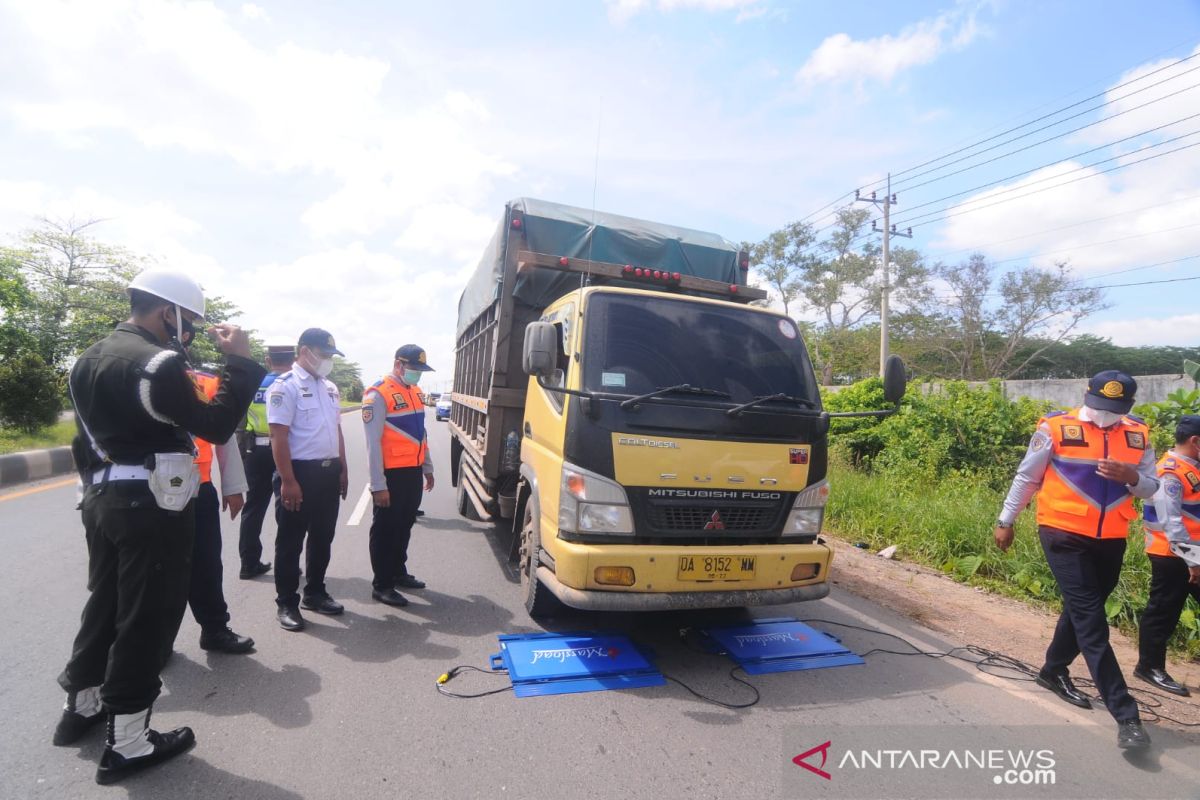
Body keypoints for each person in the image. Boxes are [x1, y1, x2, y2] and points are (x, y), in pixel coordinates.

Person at [54, 270, 264, 784]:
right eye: (186, 319)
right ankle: (127, 742)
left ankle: (81, 706)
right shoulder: (160, 362)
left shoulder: (87, 357)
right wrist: (238, 363)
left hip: (101, 496)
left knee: (105, 602)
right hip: (151, 502)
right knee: (147, 614)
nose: (186, 330)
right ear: (167, 312)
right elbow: (214, 425)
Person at [994, 370, 1157, 751]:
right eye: (1099, 406)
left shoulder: (1138, 434)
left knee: (1084, 608)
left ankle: (1052, 671)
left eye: (1114, 410)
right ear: (1087, 397)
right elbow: (1027, 477)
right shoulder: (1055, 426)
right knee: (1092, 620)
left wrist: (1132, 476)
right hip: (1062, 532)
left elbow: (1151, 490)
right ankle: (1126, 714)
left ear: (1128, 407)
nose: (1104, 415)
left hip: (1112, 535)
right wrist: (1006, 520)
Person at [267, 328, 349, 631]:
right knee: (290, 542)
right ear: (304, 351)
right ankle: (286, 602)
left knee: (322, 537)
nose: (327, 360)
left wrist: (343, 468)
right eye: (324, 354)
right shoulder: (284, 387)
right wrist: (288, 480)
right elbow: (279, 436)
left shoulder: (329, 387)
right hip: (299, 473)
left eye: (330, 355)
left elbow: (336, 430)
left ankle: (315, 592)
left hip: (328, 473)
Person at [184, 367, 255, 654]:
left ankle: (214, 629)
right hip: (150, 493)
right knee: (156, 572)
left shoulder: (204, 381)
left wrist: (233, 484)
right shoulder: (135, 369)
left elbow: (222, 433)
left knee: (207, 565)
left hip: (198, 487)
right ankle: (155, 642)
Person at [363, 344, 435, 607]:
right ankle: (382, 584)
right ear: (398, 365)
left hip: (412, 472)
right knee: (385, 530)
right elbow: (372, 443)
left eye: (420, 370)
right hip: (390, 476)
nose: (417, 374)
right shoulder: (378, 393)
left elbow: (421, 433)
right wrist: (377, 484)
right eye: (414, 368)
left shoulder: (414, 391)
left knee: (404, 525)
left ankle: (398, 571)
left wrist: (427, 467)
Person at [1135, 414, 1200, 696]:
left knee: (1165, 609)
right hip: (1173, 554)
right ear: (1195, 441)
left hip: (1192, 554)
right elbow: (1170, 521)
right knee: (1163, 610)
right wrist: (1192, 560)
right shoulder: (1170, 472)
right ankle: (1149, 667)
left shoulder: (1193, 467)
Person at [238, 344, 296, 579]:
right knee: (287, 507)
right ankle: (287, 562)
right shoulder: (292, 384)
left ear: (267, 359)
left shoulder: (254, 382)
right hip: (285, 451)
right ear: (293, 359)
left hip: (256, 450)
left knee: (253, 508)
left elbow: (239, 421)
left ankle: (248, 564)